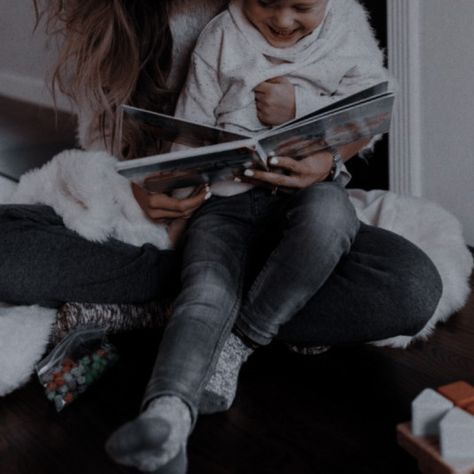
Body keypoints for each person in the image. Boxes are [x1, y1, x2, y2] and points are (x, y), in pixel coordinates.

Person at [0, 0, 441, 473]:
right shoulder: (201, 31)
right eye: (269, 3)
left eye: (302, 7)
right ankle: (212, 313)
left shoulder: (339, 24)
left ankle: (202, 314)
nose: (284, 20)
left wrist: (326, 158)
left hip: (300, 218)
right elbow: (117, 146)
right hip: (203, 214)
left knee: (410, 285)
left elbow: (367, 111)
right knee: (9, 244)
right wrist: (144, 189)